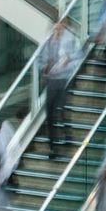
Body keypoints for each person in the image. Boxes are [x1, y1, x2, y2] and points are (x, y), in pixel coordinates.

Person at [38, 18, 85, 156]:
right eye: (57, 24)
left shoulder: (71, 40)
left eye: (62, 24)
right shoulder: (48, 41)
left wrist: (67, 63)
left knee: (63, 109)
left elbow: (78, 57)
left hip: (65, 78)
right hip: (52, 80)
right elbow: (40, 60)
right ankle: (53, 146)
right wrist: (45, 68)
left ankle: (67, 134)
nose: (58, 27)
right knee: (50, 111)